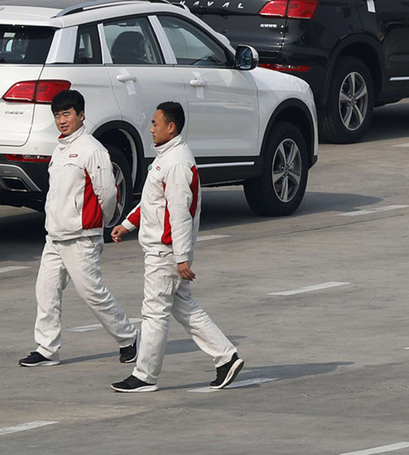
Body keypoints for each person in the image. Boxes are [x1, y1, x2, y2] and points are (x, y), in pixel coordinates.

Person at [110, 101, 243, 393]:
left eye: (155, 123)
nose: (151, 129)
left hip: (165, 251)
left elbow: (180, 214)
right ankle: (226, 357)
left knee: (154, 312)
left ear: (171, 127)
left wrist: (181, 257)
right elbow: (153, 202)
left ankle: (145, 375)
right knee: (183, 307)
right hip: (165, 249)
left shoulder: (177, 163)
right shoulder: (167, 158)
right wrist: (128, 224)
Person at [20, 88, 139, 368]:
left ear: (81, 115)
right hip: (55, 236)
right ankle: (47, 349)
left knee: (92, 293)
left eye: (67, 114)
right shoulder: (60, 149)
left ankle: (129, 338)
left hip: (82, 237)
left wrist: (100, 222)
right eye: (57, 115)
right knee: (46, 292)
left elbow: (107, 193)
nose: (62, 120)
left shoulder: (92, 149)